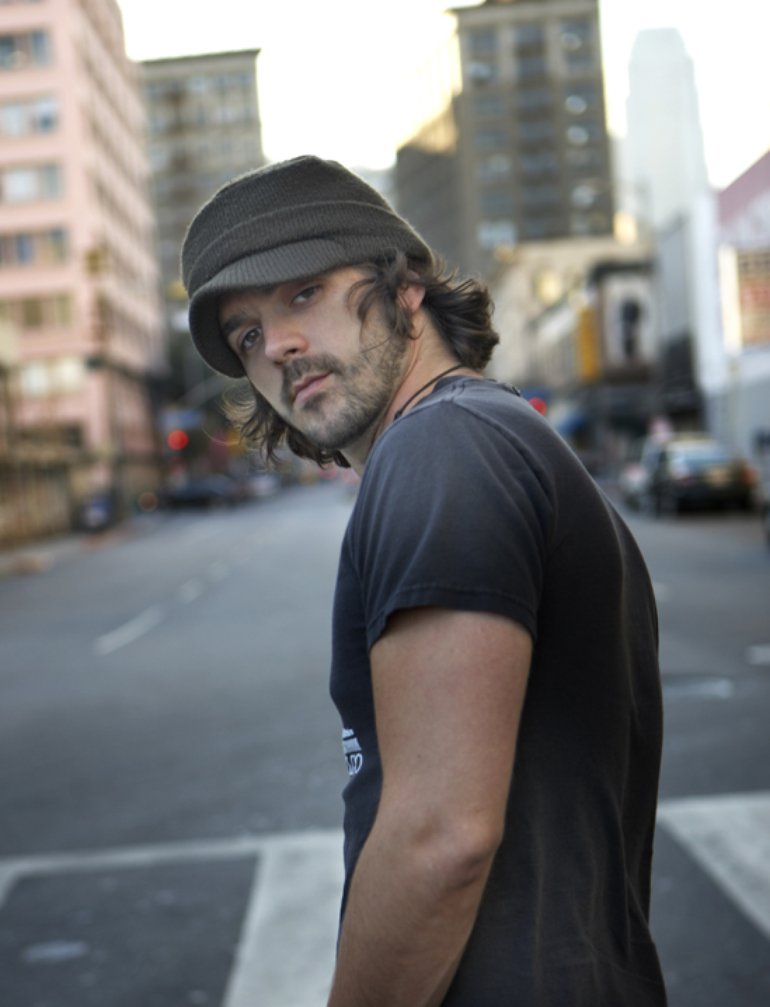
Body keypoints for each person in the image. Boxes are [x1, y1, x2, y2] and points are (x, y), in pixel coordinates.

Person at [181, 155, 668, 1006]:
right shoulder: (494, 432)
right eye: (247, 334)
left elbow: (440, 836)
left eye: (304, 293)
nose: (278, 345)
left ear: (405, 287)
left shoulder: (444, 447)